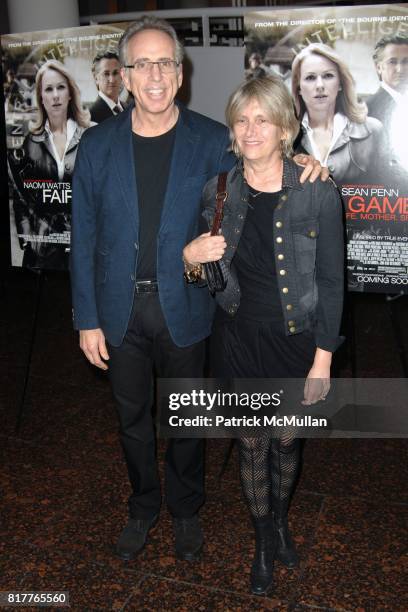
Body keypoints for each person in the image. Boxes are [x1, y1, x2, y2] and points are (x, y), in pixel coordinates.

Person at [70, 16, 326, 564]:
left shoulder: (212, 140)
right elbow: (84, 233)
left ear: (179, 73)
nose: (156, 74)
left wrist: (304, 161)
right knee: (132, 420)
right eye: (144, 64)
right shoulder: (96, 145)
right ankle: (143, 506)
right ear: (127, 75)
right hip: (117, 309)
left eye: (167, 62)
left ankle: (186, 509)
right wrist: (85, 317)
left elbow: (261, 164)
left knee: (186, 418)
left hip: (186, 306)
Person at [183, 76, 344, 594]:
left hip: (295, 341)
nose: (251, 130)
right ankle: (261, 541)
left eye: (264, 120)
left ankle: (280, 522)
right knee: (253, 446)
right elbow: (202, 274)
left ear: (284, 130)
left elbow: (331, 282)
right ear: (232, 128)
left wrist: (323, 361)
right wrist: (189, 260)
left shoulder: (318, 189)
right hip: (236, 340)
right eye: (242, 119)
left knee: (287, 442)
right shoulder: (218, 191)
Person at [8, 60, 91, 270]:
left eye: (61, 87)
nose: (55, 95)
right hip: (42, 253)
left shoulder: (91, 136)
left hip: (85, 248)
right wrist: (27, 237)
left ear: (70, 93)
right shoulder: (30, 141)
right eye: (48, 89)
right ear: (41, 98)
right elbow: (20, 197)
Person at [291, 43, 384, 183]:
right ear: (298, 88)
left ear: (340, 83)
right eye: (310, 78)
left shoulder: (373, 130)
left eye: (328, 76)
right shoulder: (283, 135)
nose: (320, 85)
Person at [367, 34, 408, 127]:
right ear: (379, 68)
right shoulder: (368, 109)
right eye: (392, 62)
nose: (400, 69)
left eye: (406, 61)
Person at [89, 51, 124, 123]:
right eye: (106, 74)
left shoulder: (128, 108)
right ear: (96, 78)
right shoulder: (91, 116)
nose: (112, 80)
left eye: (115, 73)